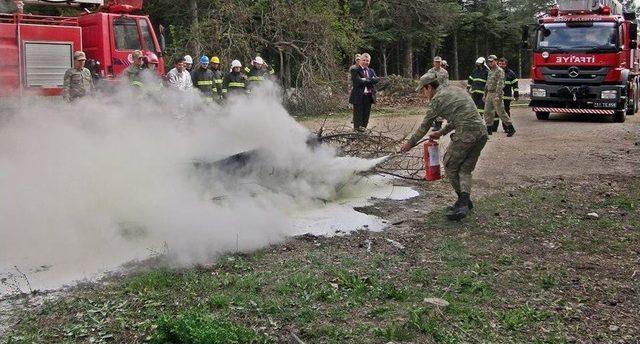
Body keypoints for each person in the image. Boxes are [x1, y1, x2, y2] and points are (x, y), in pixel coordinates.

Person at [400, 72, 488, 220]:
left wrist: (409, 144)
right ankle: (465, 202)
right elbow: (459, 116)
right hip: (481, 133)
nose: (422, 95)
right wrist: (441, 132)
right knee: (465, 169)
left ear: (428, 87)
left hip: (466, 134)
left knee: (449, 166)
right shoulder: (455, 90)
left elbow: (424, 126)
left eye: (422, 91)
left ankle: (462, 204)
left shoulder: (437, 100)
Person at [484, 55, 515, 136]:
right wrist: (485, 94)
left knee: (500, 112)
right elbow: (487, 83)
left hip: (496, 93)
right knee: (487, 112)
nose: (490, 63)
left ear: (496, 61)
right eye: (489, 61)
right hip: (489, 93)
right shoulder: (490, 71)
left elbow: (500, 84)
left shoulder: (499, 70)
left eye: (492, 61)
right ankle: (489, 129)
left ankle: (511, 128)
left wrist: (498, 95)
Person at [348, 53, 379, 131]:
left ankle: (363, 131)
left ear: (369, 61)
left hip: (369, 96)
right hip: (358, 96)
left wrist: (365, 79)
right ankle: (357, 132)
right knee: (358, 115)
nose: (365, 62)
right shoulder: (355, 70)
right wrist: (370, 80)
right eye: (364, 60)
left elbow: (376, 80)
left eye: (367, 61)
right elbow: (358, 82)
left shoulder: (371, 70)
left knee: (366, 115)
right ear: (360, 60)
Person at [495, 57, 519, 132]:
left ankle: (507, 128)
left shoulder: (511, 73)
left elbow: (515, 85)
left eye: (503, 64)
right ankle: (494, 128)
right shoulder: (494, 72)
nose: (501, 65)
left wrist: (516, 94)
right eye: (500, 64)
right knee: (495, 111)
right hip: (497, 96)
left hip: (506, 96)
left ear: (506, 64)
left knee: (505, 112)